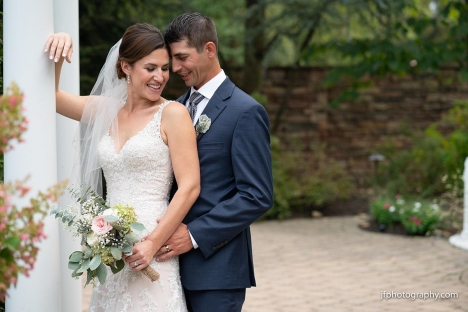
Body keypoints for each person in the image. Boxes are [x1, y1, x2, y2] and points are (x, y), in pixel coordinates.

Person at [45, 23, 199, 311]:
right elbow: (52, 98)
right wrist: (60, 44)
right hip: (111, 249)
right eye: (150, 68)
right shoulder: (106, 110)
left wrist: (152, 243)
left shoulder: (172, 114)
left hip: (153, 245)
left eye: (164, 68)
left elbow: (189, 186)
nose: (160, 77)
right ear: (126, 67)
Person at [154, 12, 274, 312]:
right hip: (167, 271)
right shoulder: (174, 109)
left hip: (216, 272)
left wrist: (194, 235)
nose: (176, 68)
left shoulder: (245, 111)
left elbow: (256, 195)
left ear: (209, 49)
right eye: (172, 59)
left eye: (182, 57)